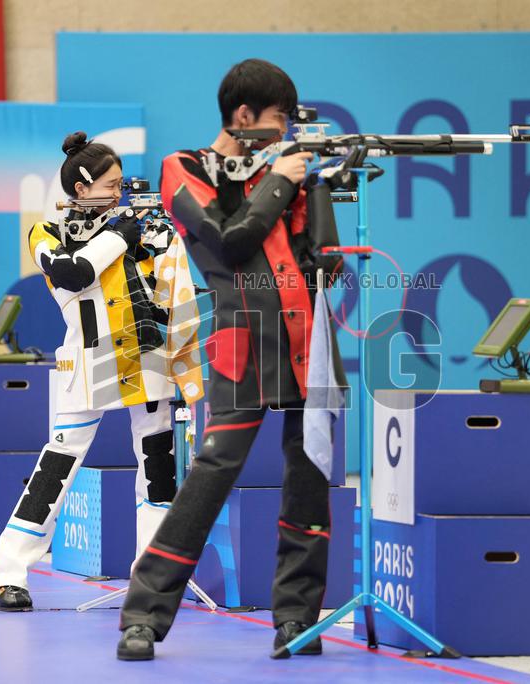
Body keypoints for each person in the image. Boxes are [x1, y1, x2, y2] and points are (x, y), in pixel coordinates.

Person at [117, 58, 345, 660]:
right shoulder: (184, 168)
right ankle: (143, 613)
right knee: (209, 479)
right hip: (244, 349)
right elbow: (231, 239)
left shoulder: (285, 172)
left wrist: (314, 189)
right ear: (243, 117)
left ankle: (297, 618)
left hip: (310, 347)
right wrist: (283, 182)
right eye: (278, 121)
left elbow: (327, 261)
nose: (286, 133)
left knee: (309, 483)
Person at [0, 133, 203, 609]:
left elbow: (177, 293)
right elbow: (71, 273)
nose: (120, 194)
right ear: (81, 189)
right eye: (111, 185)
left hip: (149, 366)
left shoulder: (146, 227)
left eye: (123, 184)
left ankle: (151, 578)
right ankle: (9, 571)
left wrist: (152, 236)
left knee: (158, 472)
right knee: (55, 470)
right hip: (87, 366)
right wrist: (120, 235)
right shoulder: (47, 232)